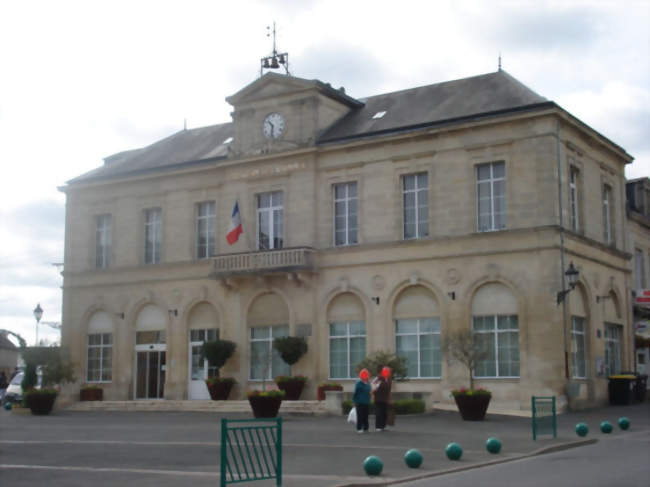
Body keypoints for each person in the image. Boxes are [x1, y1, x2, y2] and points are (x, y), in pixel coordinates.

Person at [353, 368, 371, 433]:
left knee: (366, 416)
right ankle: (359, 428)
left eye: (367, 375)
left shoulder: (368, 383)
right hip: (359, 402)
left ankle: (366, 428)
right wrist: (354, 401)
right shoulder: (358, 383)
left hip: (367, 402)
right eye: (364, 375)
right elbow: (355, 393)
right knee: (360, 416)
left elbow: (369, 392)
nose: (366, 376)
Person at [372, 366, 391, 431]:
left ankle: (383, 426)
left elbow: (389, 390)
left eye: (388, 372)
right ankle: (378, 427)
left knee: (384, 413)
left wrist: (389, 399)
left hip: (385, 399)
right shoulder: (378, 378)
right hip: (378, 399)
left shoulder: (388, 379)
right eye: (386, 371)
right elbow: (373, 386)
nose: (388, 373)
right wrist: (376, 389)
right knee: (379, 413)